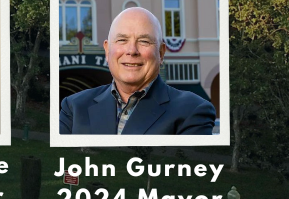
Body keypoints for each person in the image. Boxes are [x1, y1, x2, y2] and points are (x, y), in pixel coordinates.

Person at [59, 7, 216, 135]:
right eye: (122, 40)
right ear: (107, 50)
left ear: (161, 53)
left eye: (144, 41)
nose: (131, 50)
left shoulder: (193, 111)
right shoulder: (74, 107)